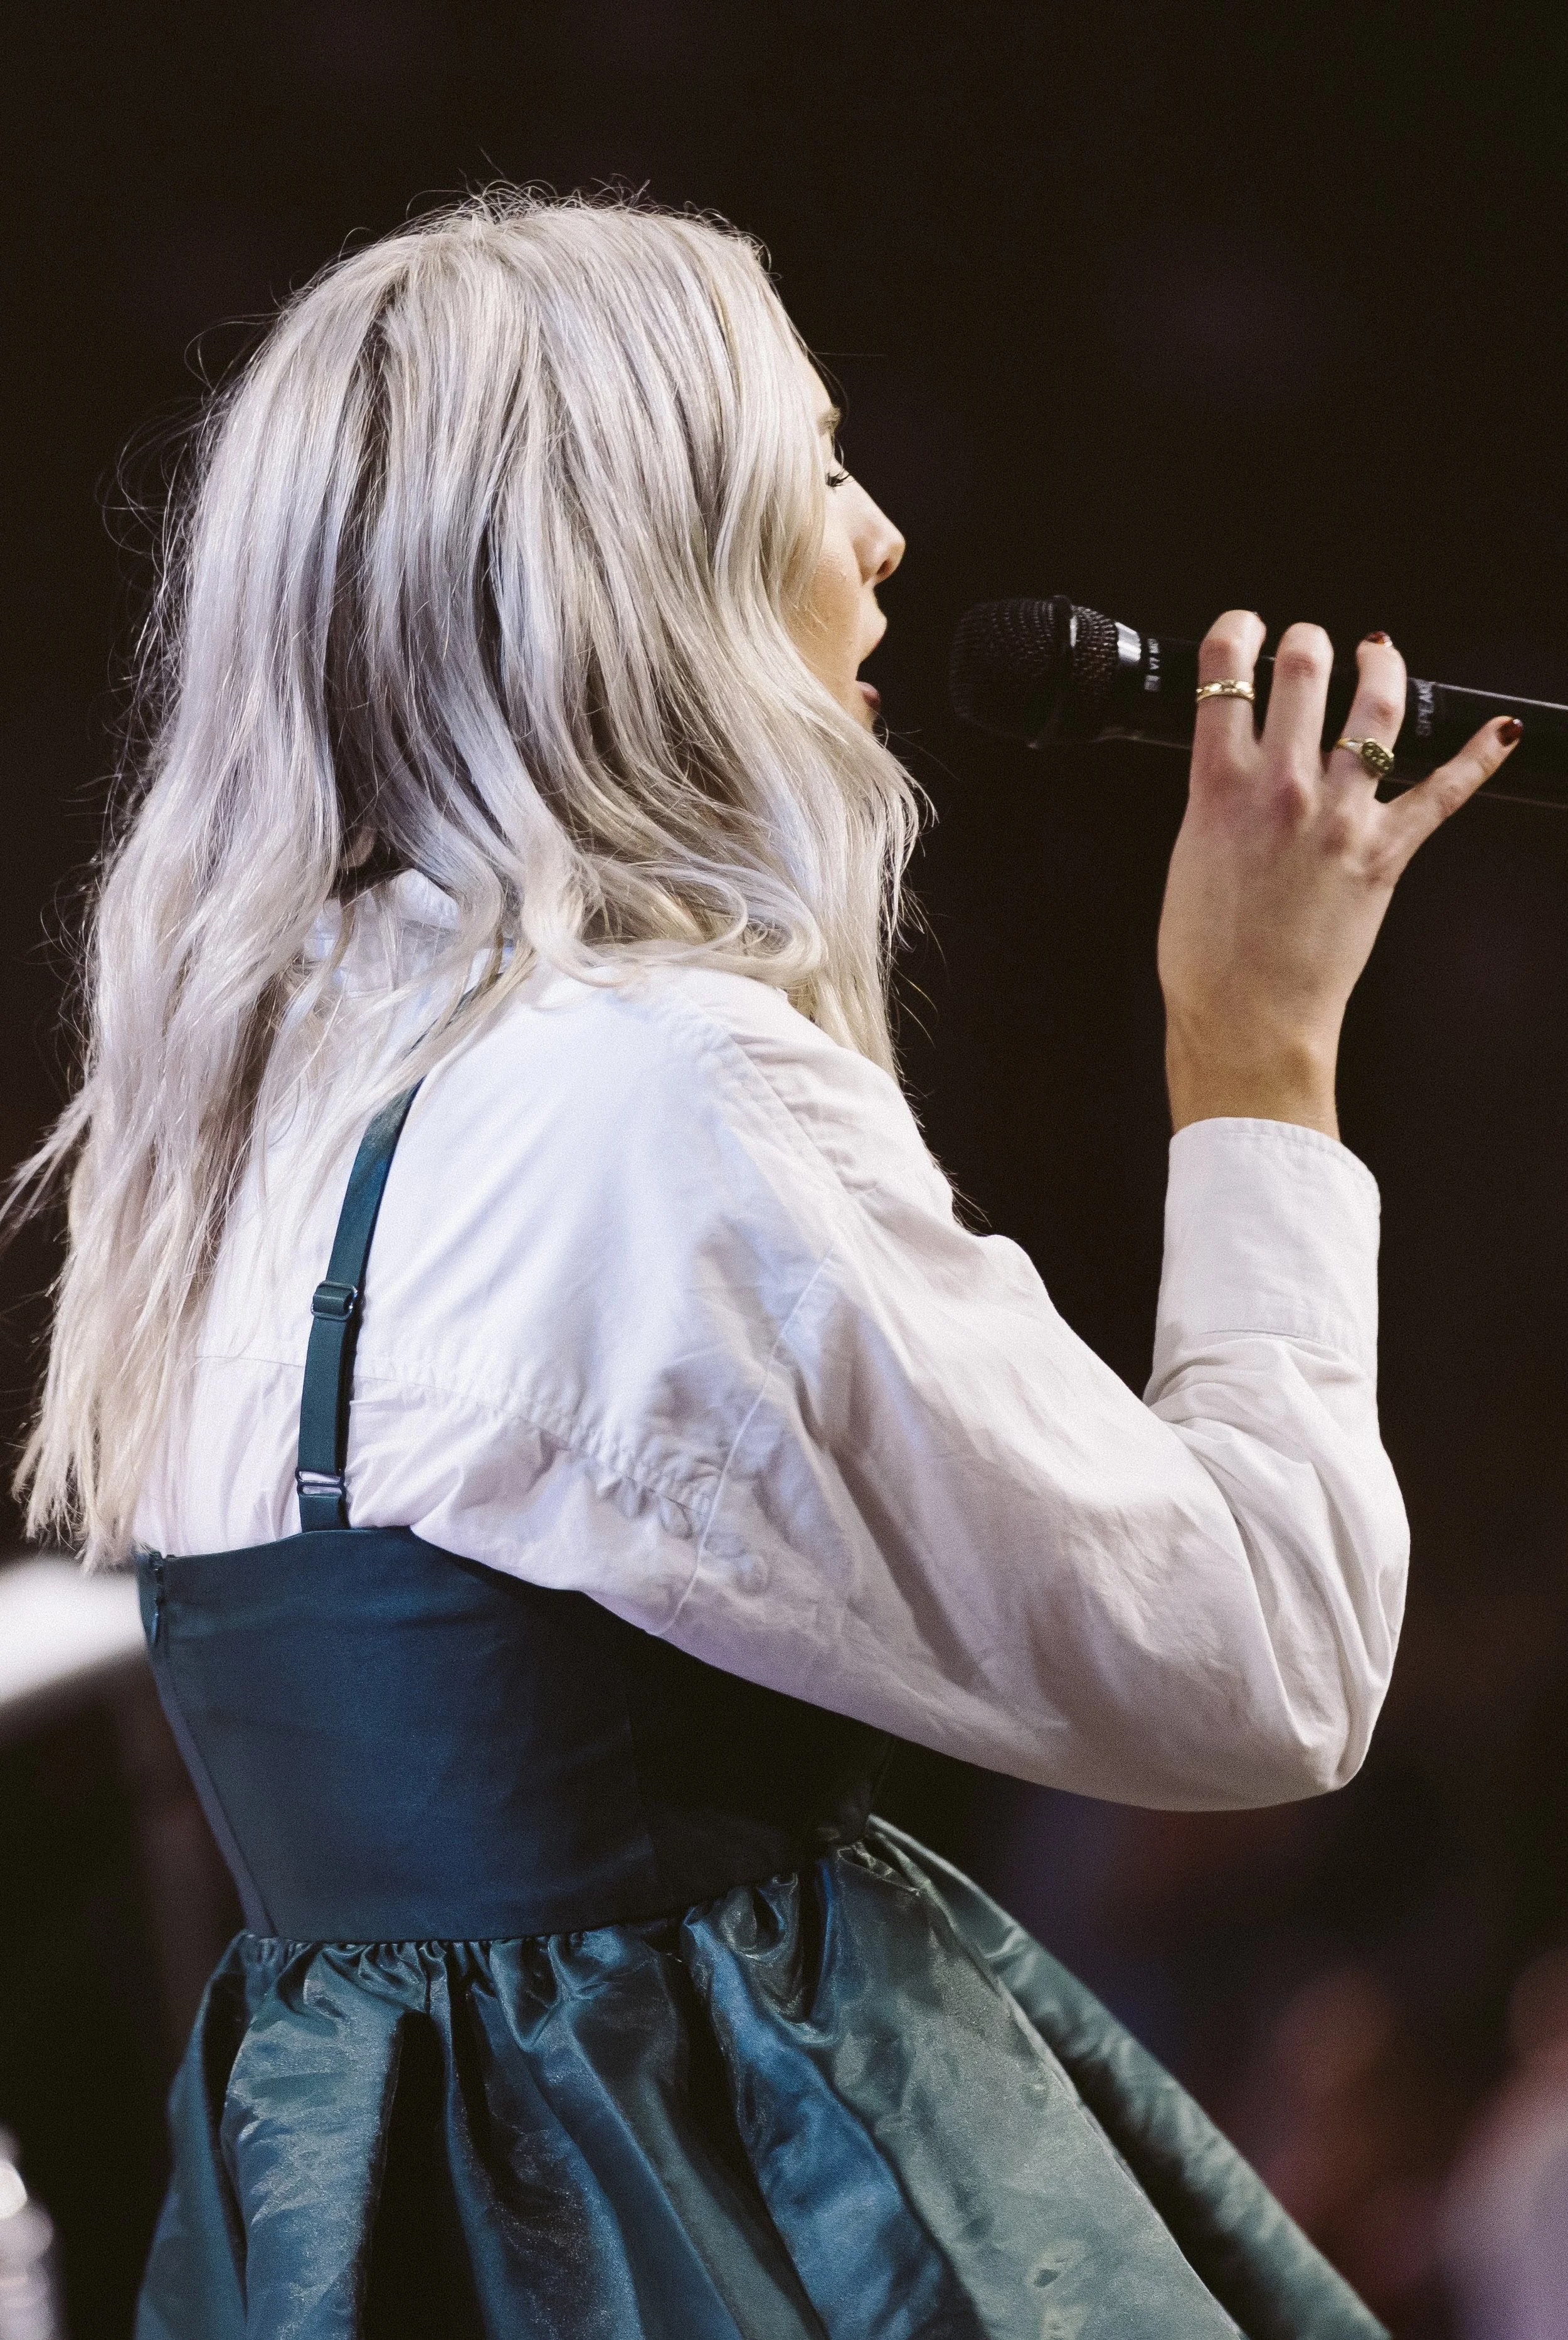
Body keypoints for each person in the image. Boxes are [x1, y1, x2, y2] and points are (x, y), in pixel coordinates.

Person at [11, 190, 1522, 2338]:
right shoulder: (659, 1104)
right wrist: (1255, 1046)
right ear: (644, 554)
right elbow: (1260, 1669)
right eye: (813, 459)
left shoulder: (236, 1120)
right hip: (708, 2209)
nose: (883, 530)